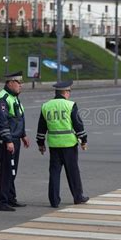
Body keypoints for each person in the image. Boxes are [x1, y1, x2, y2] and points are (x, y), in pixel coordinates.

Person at [36, 80, 89, 208]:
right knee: (73, 172)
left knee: (54, 172)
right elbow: (78, 124)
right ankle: (78, 197)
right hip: (69, 145)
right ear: (65, 92)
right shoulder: (70, 105)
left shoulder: (46, 106)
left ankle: (54, 200)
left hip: (54, 145)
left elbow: (41, 127)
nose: (69, 94)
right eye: (69, 91)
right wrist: (83, 140)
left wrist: (41, 143)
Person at [0, 71, 30, 212]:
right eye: (19, 82)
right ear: (10, 83)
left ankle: (10, 198)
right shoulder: (2, 98)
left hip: (15, 139)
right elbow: (2, 122)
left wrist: (23, 134)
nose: (21, 85)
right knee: (6, 170)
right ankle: (1, 201)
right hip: (7, 141)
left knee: (12, 170)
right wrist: (8, 140)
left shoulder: (14, 98)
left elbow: (18, 118)